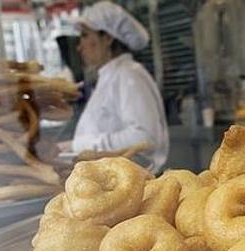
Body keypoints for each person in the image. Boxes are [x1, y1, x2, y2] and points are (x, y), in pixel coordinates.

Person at [66, 1, 169, 173]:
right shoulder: (110, 76)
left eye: (85, 35)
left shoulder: (129, 75)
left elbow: (145, 138)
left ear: (107, 38)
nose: (79, 46)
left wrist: (78, 145)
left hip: (136, 185)